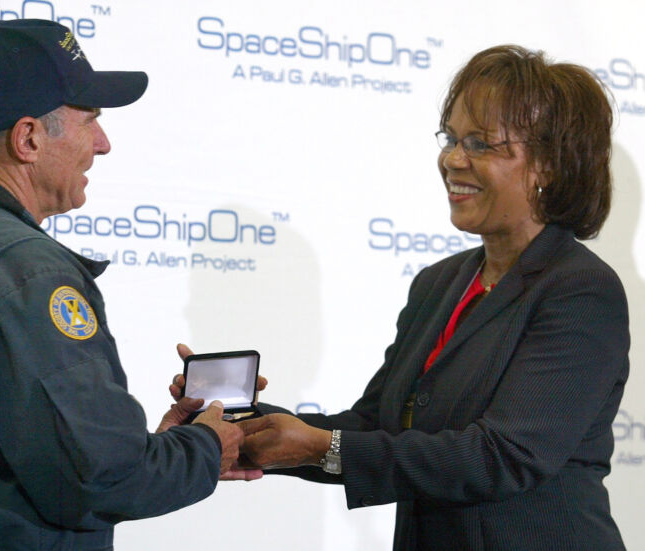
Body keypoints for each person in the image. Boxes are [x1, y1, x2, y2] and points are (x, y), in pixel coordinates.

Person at [173, 45, 630, 550]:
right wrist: (240, 423)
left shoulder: (580, 290)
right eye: (452, 138)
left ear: (547, 165)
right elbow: (376, 426)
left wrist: (324, 447)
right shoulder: (440, 283)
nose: (454, 160)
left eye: (480, 143)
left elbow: (503, 457)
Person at [0, 19, 244, 550]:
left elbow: (32, 460)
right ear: (28, 138)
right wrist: (207, 446)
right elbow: (98, 478)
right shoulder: (26, 270)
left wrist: (160, 447)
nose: (105, 143)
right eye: (91, 120)